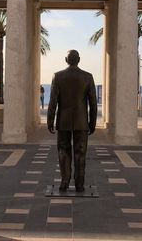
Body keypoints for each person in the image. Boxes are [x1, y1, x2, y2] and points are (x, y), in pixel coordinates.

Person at [47, 50, 97, 192]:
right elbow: (93, 103)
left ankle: (64, 181)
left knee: (63, 151)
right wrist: (92, 123)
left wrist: (50, 121)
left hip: (63, 121)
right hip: (81, 122)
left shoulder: (58, 76)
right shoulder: (88, 77)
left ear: (65, 59)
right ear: (79, 59)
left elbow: (53, 101)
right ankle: (80, 184)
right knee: (80, 153)